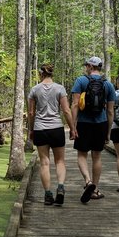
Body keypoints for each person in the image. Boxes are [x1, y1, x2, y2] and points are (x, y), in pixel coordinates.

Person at [28, 63, 77, 206]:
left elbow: (31, 113)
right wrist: (73, 128)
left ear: (40, 74)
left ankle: (48, 194)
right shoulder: (59, 88)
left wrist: (31, 130)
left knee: (44, 163)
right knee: (60, 161)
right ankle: (60, 187)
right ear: (51, 74)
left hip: (40, 129)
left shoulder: (34, 90)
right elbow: (66, 110)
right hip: (56, 128)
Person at [71, 56, 116, 203]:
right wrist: (108, 131)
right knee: (97, 156)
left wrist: (73, 126)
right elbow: (110, 111)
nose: (86, 68)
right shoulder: (108, 85)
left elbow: (75, 105)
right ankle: (95, 190)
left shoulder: (81, 81)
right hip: (101, 123)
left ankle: (88, 181)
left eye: (87, 66)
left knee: (82, 155)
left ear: (91, 66)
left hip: (84, 124)